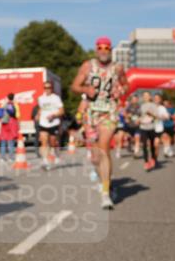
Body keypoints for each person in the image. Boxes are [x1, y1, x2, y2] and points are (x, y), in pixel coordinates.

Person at [72, 37, 127, 209]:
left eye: (107, 48)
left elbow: (126, 85)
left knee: (104, 148)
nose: (104, 51)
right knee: (95, 157)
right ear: (96, 50)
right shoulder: (88, 66)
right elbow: (74, 86)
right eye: (100, 48)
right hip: (91, 113)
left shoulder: (117, 68)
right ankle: (101, 177)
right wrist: (86, 89)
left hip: (109, 112)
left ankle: (105, 193)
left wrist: (121, 90)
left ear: (110, 50)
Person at [35, 80, 64, 169]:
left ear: (52, 89)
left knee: (52, 142)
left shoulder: (56, 98)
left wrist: (54, 115)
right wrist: (38, 115)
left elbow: (62, 111)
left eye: (49, 88)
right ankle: (45, 161)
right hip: (43, 123)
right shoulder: (40, 98)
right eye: (45, 88)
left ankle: (55, 153)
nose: (47, 89)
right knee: (44, 141)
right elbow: (41, 108)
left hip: (53, 123)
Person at [0, 93, 20, 165]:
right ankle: (11, 157)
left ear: (7, 97)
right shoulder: (14, 104)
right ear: (13, 98)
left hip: (4, 123)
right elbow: (17, 114)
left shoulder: (3, 104)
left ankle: (2, 157)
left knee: (3, 141)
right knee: (11, 141)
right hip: (11, 123)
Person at [138, 92, 158, 171]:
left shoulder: (153, 105)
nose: (145, 97)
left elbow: (156, 116)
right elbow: (140, 116)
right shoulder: (142, 106)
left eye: (147, 96)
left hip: (151, 127)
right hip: (143, 127)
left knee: (152, 145)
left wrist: (151, 114)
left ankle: (153, 158)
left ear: (150, 97)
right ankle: (146, 162)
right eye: (144, 96)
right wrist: (139, 120)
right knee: (144, 145)